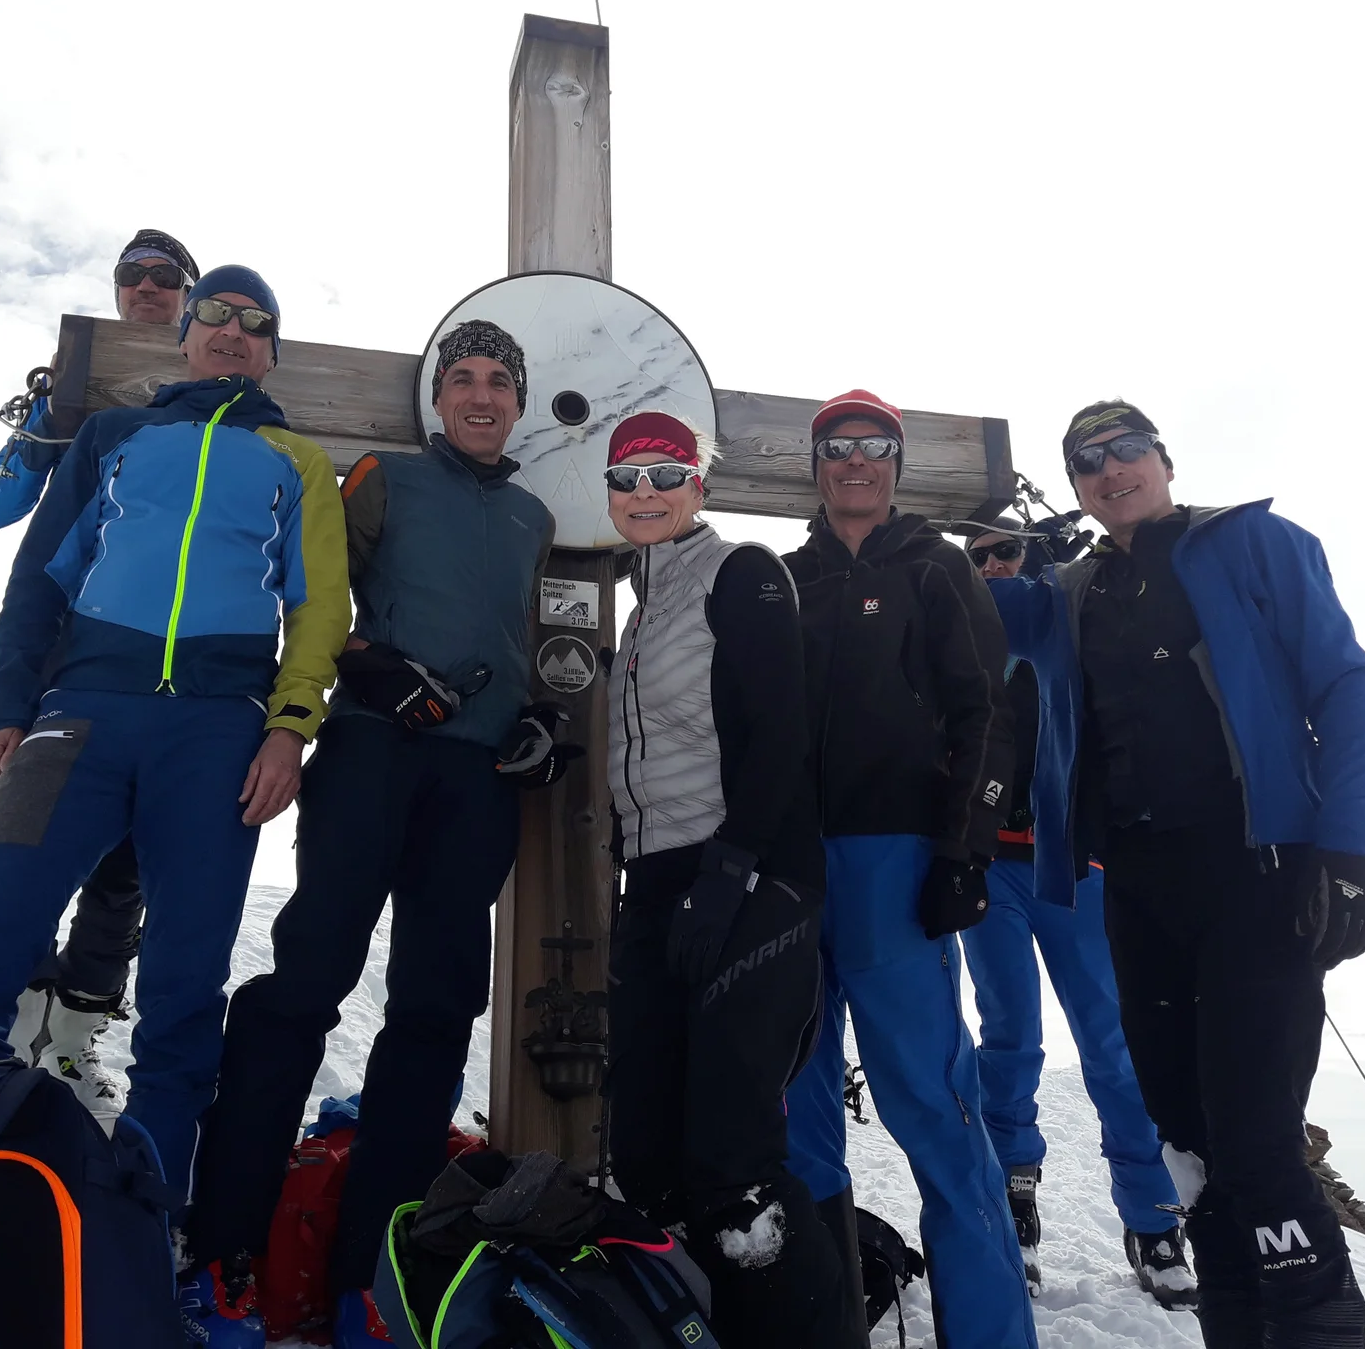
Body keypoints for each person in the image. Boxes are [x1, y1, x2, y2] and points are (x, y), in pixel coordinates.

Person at [0, 265, 349, 1212]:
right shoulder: (113, 435)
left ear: (271, 353)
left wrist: (289, 728)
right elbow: (40, 579)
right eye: (215, 316)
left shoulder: (296, 460)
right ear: (185, 333)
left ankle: (143, 1222)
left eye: (254, 324)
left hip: (219, 731)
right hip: (82, 709)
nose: (232, 332)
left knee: (185, 985)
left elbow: (317, 610)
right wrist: (1, 706)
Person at [182, 321, 559, 1349]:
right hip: (373, 753)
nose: (482, 397)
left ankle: (372, 1280)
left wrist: (530, 721)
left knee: (437, 1012)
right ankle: (223, 1255)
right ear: (439, 398)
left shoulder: (531, 515)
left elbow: (519, 638)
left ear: (519, 402)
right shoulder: (383, 480)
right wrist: (363, 665)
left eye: (499, 383)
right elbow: (313, 587)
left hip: (474, 780)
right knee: (307, 984)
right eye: (465, 380)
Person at [986, 400, 1365, 1349]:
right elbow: (970, 612)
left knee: (1256, 1137)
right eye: (1088, 462)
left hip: (1259, 873)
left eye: (1126, 451)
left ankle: (1319, 1329)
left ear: (1163, 459)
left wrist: (1347, 853)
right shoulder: (1071, 593)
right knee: (1187, 1143)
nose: (1109, 470)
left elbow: (1344, 688)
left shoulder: (1257, 546)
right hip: (1136, 885)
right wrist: (923, 547)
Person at [780, 390, 1038, 1349]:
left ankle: (990, 1336)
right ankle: (816, 1325)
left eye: (874, 448)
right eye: (838, 448)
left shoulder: (934, 569)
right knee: (796, 1110)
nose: (856, 462)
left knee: (931, 1104)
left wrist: (964, 851)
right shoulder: (784, 578)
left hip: (899, 863)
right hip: (795, 867)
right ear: (817, 465)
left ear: (895, 462)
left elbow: (987, 713)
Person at [599, 411, 855, 1348]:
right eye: (626, 477)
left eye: (667, 473)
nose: (646, 492)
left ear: (699, 484)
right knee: (648, 1155)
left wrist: (735, 866)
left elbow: (783, 728)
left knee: (732, 1159)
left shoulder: (741, 571)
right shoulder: (642, 608)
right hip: (656, 878)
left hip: (750, 876)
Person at [0, 228, 203, 1116]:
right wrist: (41, 424)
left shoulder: (218, 404)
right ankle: (7, 1032)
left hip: (157, 674)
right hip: (60, 660)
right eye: (133, 276)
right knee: (19, 852)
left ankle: (68, 1049)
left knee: (123, 878)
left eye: (167, 277)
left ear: (189, 297)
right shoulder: (79, 394)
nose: (147, 288)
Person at [957, 516, 1196, 1308]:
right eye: (976, 556)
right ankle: (1012, 1198)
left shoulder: (1064, 615)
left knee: (1112, 1039)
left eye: (1004, 550)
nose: (989, 563)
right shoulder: (968, 634)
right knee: (1010, 1031)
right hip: (992, 862)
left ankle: (1153, 1215)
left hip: (1073, 862)